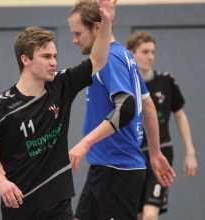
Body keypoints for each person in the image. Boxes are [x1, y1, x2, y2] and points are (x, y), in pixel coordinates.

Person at [0, 1, 116, 219]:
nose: (54, 62)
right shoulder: (1, 107)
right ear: (25, 59)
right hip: (19, 207)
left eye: (55, 56)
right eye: (46, 57)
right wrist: (0, 181)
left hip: (59, 204)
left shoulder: (61, 85)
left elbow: (98, 59)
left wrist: (107, 23)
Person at [67, 1, 176, 219]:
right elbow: (148, 106)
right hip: (104, 167)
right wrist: (154, 153)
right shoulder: (124, 55)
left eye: (78, 33)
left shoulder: (110, 59)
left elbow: (127, 107)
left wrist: (85, 142)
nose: (74, 40)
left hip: (117, 170)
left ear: (97, 27)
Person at [126, 31, 198, 220]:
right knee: (137, 215)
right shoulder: (125, 86)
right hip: (134, 157)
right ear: (131, 53)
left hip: (161, 153)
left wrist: (190, 152)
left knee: (150, 215)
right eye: (144, 52)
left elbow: (180, 115)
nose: (150, 56)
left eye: (153, 52)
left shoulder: (166, 81)